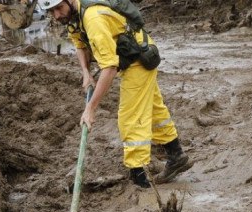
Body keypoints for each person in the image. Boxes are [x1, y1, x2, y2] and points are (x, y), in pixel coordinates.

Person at [39, 0, 193, 188]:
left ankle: (140, 176)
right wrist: (86, 73)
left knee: (130, 117)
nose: (56, 15)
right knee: (154, 110)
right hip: (130, 55)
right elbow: (79, 44)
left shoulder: (93, 18)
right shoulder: (73, 16)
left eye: (58, 8)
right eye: (51, 11)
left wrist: (91, 108)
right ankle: (176, 155)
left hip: (139, 59)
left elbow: (109, 67)